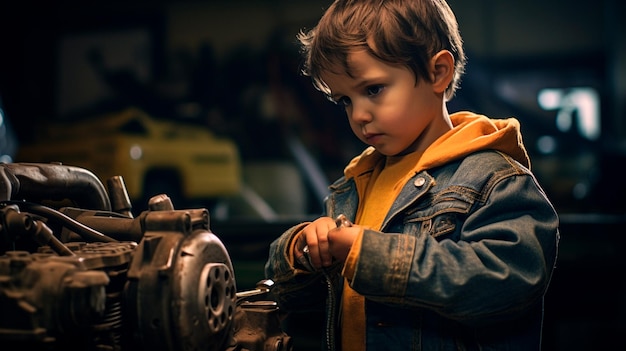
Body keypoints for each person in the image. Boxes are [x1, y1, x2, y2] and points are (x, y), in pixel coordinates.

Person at [264, 0, 560, 350]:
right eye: (345, 99)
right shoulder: (355, 185)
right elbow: (293, 299)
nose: (359, 114)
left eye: (373, 89)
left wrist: (372, 256)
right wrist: (302, 250)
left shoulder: (495, 181)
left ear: (438, 73)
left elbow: (507, 280)